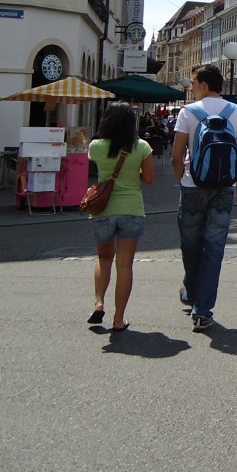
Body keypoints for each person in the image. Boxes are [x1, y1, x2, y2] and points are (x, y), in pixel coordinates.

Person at [170, 64, 237, 332]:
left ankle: (191, 292)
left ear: (204, 85)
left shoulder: (188, 112)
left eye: (194, 84)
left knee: (190, 245)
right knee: (214, 250)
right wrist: (235, 183)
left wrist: (182, 179)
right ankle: (203, 311)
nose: (192, 89)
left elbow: (176, 155)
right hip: (223, 189)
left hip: (192, 187)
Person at [86, 104, 155, 332]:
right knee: (124, 265)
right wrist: (133, 170)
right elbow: (149, 179)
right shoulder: (142, 147)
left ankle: (98, 303)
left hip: (103, 209)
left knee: (104, 258)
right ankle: (118, 319)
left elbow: (97, 166)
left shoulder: (96, 146)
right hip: (131, 209)